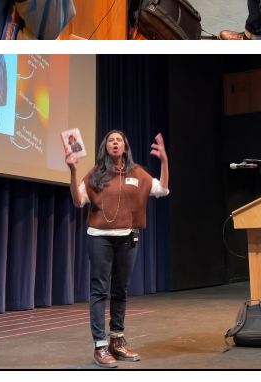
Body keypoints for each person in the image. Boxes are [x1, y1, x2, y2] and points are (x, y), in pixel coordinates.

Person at [65, 130, 169, 368]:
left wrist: (164, 160)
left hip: (128, 237)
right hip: (100, 237)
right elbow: (78, 200)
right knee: (100, 290)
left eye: (118, 140)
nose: (114, 143)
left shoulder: (137, 173)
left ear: (125, 147)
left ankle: (116, 341)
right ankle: (99, 346)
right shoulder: (96, 174)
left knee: (120, 290)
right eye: (110, 140)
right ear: (105, 147)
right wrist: (73, 172)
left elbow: (162, 189)